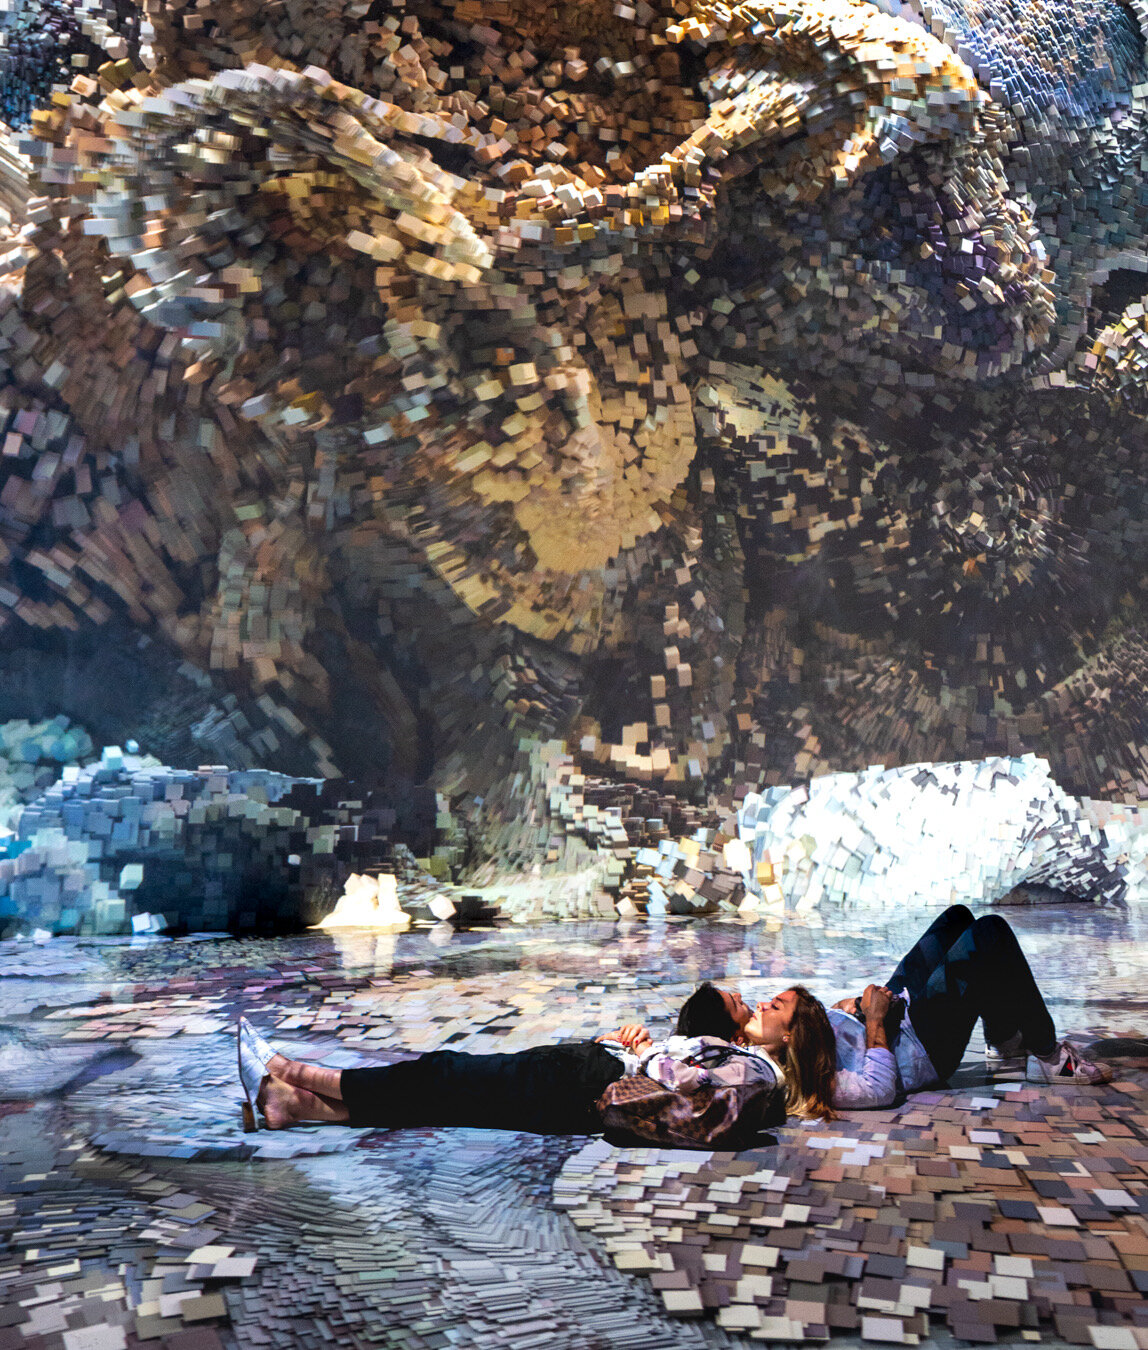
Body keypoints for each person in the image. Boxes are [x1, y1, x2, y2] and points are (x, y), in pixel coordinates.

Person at [681, 905, 1110, 1110]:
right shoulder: (785, 1068)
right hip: (921, 1047)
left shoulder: (771, 1038)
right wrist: (873, 1021)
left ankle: (1004, 1036)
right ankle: (1051, 1054)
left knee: (957, 920)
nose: (752, 1003)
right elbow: (878, 1090)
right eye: (741, 1008)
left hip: (891, 1017)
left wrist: (847, 1008)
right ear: (736, 1036)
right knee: (988, 933)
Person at [236, 995, 788, 1147]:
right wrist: (632, 1047)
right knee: (443, 1097)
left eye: (772, 1008)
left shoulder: (758, 1072)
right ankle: (293, 1106)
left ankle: (293, 1070)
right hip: (584, 1072)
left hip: (581, 1089)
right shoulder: (736, 1054)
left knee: (443, 1075)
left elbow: (696, 1092)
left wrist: (648, 1059)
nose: (759, 1004)